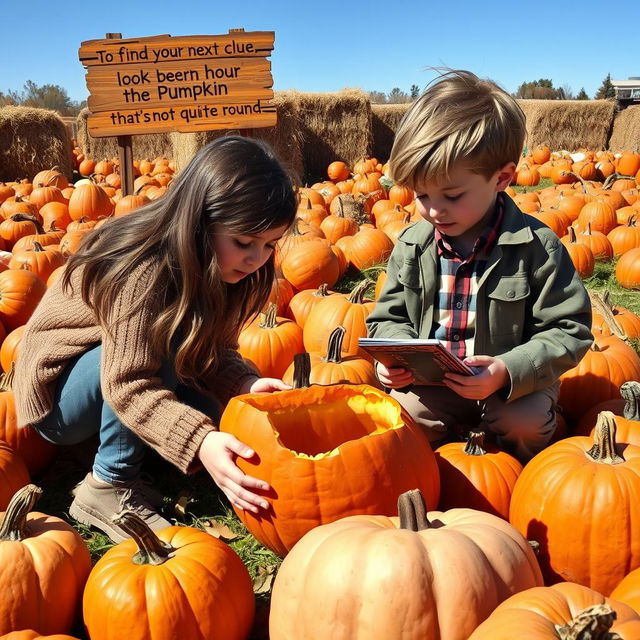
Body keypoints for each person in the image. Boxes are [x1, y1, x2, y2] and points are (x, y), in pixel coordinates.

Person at [14, 135, 297, 542]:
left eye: (270, 244)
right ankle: (107, 484)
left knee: (219, 413)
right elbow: (128, 382)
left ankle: (125, 451)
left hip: (127, 367)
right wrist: (198, 440)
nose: (257, 259)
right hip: (60, 395)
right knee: (166, 351)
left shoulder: (223, 267)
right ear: (200, 221)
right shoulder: (143, 269)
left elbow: (212, 348)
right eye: (243, 242)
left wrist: (243, 383)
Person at [366, 70, 592, 462]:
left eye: (452, 195)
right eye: (422, 194)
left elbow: (568, 330)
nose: (434, 210)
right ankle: (441, 475)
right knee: (400, 419)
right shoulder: (413, 246)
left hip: (511, 385)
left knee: (524, 424)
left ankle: (519, 482)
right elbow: (387, 318)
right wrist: (394, 363)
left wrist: (506, 370)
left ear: (502, 178)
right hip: (436, 383)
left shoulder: (537, 248)